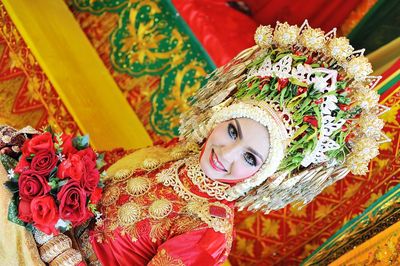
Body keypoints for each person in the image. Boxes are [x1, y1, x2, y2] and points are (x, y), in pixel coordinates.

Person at [0, 21, 386, 266]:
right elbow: (93, 173)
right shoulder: (175, 153)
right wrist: (46, 162)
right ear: (220, 117)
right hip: (42, 233)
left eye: (250, 157)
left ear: (267, 174)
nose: (226, 154)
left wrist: (58, 252)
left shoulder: (209, 233)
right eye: (232, 131)